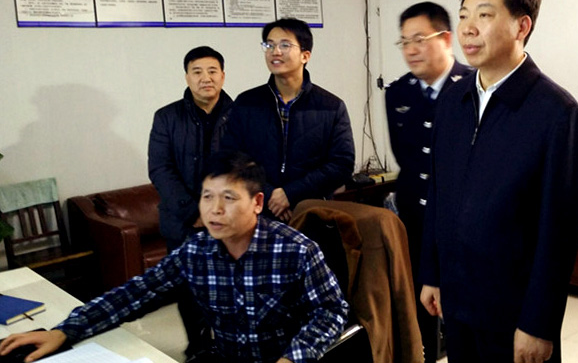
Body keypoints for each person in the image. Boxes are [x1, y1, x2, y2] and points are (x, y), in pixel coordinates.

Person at [0, 151, 348, 363]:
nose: (215, 209)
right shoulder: (197, 251)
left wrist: (293, 359)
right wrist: (64, 332)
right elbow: (136, 293)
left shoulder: (296, 250)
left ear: (257, 203)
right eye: (207, 197)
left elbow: (331, 311)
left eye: (228, 198)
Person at [419, 0, 578, 363]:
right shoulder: (453, 100)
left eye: (485, 14)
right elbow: (438, 193)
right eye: (463, 15)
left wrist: (539, 323)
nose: (468, 28)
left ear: (521, 26)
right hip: (457, 300)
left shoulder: (556, 112)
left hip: (513, 314)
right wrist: (432, 273)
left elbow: (560, 231)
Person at [385, 1, 471, 361]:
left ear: (446, 39)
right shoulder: (398, 92)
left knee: (462, 306)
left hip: (459, 218)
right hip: (414, 218)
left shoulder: (472, 87)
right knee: (419, 300)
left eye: (419, 39)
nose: (410, 50)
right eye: (404, 42)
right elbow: (405, 157)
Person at [221, 18, 355, 222]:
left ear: (305, 55)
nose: (275, 51)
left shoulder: (331, 106)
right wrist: (270, 195)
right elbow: (231, 158)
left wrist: (291, 194)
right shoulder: (246, 103)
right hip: (256, 213)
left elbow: (342, 165)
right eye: (269, 45)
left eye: (285, 45)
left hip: (311, 213)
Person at [147, 46, 232, 358]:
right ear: (187, 77)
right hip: (183, 223)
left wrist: (221, 209)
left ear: (223, 76)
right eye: (197, 72)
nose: (205, 78)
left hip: (229, 220)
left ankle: (229, 345)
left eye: (212, 71)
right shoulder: (167, 117)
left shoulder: (241, 115)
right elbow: (160, 169)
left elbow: (248, 167)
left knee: (230, 287)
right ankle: (198, 347)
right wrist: (194, 210)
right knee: (188, 289)